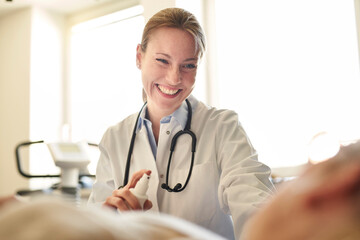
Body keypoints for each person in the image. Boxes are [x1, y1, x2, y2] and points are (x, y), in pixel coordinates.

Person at [88, 7, 275, 240]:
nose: (174, 78)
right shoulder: (114, 138)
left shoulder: (223, 127)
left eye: (188, 65)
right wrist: (111, 220)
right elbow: (93, 225)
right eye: (162, 61)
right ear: (139, 57)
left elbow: (252, 199)